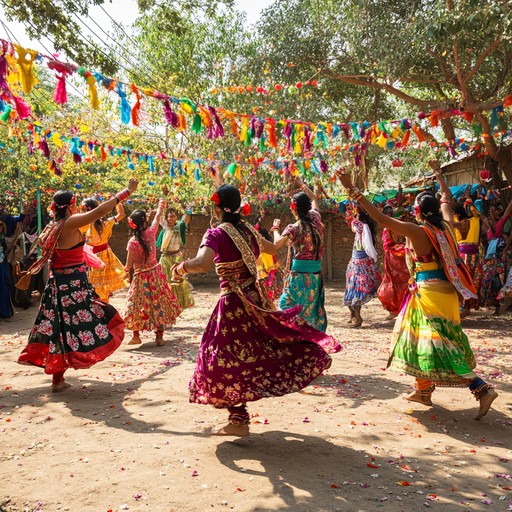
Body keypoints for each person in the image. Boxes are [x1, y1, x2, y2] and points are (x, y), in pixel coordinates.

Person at [171, 184, 341, 436]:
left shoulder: (216, 233)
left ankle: (238, 417)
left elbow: (203, 263)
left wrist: (180, 268)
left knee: (224, 356)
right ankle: (238, 414)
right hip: (256, 299)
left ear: (217, 207)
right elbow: (272, 249)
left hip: (233, 304)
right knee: (256, 349)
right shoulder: (248, 229)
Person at [337, 163, 498, 421]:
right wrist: (438, 175)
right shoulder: (446, 225)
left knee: (438, 344)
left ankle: (481, 387)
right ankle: (423, 390)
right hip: (445, 293)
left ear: (418, 212)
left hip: (428, 293)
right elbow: (446, 199)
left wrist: (351, 190)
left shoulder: (418, 231)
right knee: (416, 337)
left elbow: (380, 219)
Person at [17, 179, 138, 392]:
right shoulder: (70, 223)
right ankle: (64, 374)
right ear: (71, 206)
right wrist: (126, 192)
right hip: (73, 287)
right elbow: (100, 211)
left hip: (56, 287)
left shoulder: (50, 227)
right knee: (101, 317)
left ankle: (58, 380)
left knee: (59, 329)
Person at [123, 199, 182, 346]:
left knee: (136, 304)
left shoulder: (132, 242)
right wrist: (161, 205)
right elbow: (157, 218)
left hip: (139, 278)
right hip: (155, 274)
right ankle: (159, 337)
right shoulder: (151, 233)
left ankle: (136, 336)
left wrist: (123, 271)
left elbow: (129, 265)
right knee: (158, 303)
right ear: (144, 222)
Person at [272, 177, 328, 332]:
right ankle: (307, 339)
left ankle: (296, 337)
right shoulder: (315, 219)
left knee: (286, 305)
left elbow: (277, 244)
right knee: (309, 310)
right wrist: (302, 185)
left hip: (299, 277)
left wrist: (275, 229)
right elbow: (315, 198)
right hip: (315, 276)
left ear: (294, 208)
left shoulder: (294, 228)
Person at [80, 198, 128, 302]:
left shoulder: (85, 225)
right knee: (101, 287)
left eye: (83, 209)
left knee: (97, 287)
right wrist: (118, 202)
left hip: (95, 258)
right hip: (103, 255)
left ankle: (102, 310)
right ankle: (104, 308)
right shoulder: (106, 222)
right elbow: (121, 215)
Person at [342, 204, 382, 328]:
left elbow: (353, 227)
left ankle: (357, 317)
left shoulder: (360, 225)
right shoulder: (366, 226)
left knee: (355, 289)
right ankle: (353, 315)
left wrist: (351, 217)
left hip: (359, 262)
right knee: (352, 288)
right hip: (359, 260)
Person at [157, 205, 194, 309]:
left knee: (178, 280)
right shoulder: (165, 227)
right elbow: (158, 217)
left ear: (176, 217)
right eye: (169, 216)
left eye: (173, 216)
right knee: (164, 280)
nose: (170, 218)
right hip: (165, 257)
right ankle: (165, 302)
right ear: (166, 218)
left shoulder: (180, 227)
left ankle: (178, 303)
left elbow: (185, 220)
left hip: (176, 258)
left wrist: (188, 209)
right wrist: (161, 205)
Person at [453, 194, 483, 316]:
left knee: (466, 280)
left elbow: (475, 212)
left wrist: (468, 202)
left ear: (458, 215)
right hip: (469, 256)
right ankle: (464, 306)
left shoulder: (458, 222)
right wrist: (468, 203)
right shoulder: (474, 221)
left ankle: (465, 306)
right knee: (467, 280)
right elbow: (476, 213)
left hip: (465, 256)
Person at [480, 200, 512, 315]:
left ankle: (499, 307)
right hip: (490, 257)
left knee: (499, 280)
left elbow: (508, 210)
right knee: (489, 282)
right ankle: (495, 306)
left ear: (499, 211)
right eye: (490, 210)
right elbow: (479, 214)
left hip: (500, 256)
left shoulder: (501, 223)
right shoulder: (489, 225)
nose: (491, 212)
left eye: (494, 210)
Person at [377, 207, 410, 319]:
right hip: (393, 255)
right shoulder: (393, 227)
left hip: (393, 255)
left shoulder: (390, 228)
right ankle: (399, 308)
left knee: (396, 281)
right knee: (397, 281)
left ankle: (398, 308)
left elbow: (396, 240)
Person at [0, 221, 14, 319]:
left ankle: (4, 312)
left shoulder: (3, 239)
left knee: (4, 286)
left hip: (3, 265)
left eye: (1, 226)